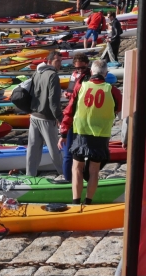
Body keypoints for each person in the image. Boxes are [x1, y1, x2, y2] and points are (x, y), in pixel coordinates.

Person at [57, 60, 122, 205]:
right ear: (106, 74)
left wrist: (63, 133)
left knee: (77, 168)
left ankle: (75, 202)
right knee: (94, 170)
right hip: (101, 134)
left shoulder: (81, 86)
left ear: (91, 72)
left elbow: (69, 111)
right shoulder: (113, 91)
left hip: (81, 132)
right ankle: (88, 202)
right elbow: (117, 110)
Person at [26, 50, 64, 177]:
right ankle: (66, 175)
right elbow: (53, 100)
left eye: (60, 61)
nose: (60, 64)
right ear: (49, 61)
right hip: (47, 118)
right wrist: (59, 117)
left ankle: (30, 176)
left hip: (34, 116)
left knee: (32, 150)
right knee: (55, 150)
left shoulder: (36, 73)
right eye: (57, 61)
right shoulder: (53, 75)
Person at [62, 53, 91, 182]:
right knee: (68, 153)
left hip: (85, 117)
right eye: (77, 68)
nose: (79, 71)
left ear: (87, 65)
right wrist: (68, 94)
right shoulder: (74, 75)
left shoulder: (91, 77)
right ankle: (69, 180)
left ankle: (86, 177)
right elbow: (68, 92)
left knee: (86, 151)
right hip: (73, 116)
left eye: (82, 68)